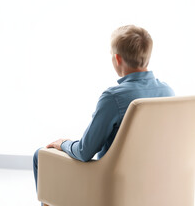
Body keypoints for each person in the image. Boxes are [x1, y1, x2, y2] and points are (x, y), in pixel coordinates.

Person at [33, 25, 175, 191]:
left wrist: (63, 143)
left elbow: (84, 152)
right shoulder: (168, 92)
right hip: (155, 181)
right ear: (147, 57)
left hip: (112, 183)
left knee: (40, 156)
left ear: (117, 58)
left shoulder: (114, 98)